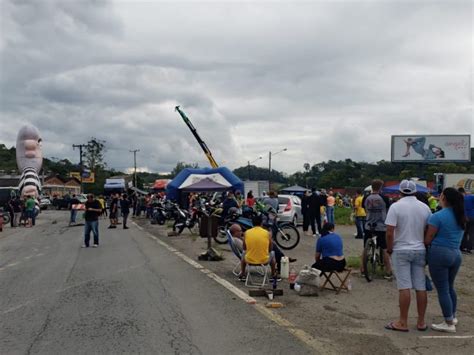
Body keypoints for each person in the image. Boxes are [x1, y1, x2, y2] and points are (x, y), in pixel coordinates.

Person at [384, 180, 432, 332]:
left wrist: (389, 248)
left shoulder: (395, 206)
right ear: (414, 191)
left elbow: (390, 231)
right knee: (420, 286)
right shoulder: (425, 207)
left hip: (401, 249)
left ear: (400, 191)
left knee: (404, 286)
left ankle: (403, 322)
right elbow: (428, 229)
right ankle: (421, 321)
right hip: (419, 249)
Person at [425, 188, 465, 333]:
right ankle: (452, 316)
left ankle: (448, 323)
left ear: (445, 199)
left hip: (440, 253)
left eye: (440, 195)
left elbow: (428, 238)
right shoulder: (460, 215)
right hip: (456, 253)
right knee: (449, 287)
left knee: (442, 289)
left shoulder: (437, 216)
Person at [230, 224, 296, 274]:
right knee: (272, 250)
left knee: (272, 245)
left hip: (251, 255)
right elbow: (245, 249)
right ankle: (279, 265)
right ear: (234, 232)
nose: (241, 232)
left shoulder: (237, 239)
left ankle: (283, 259)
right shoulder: (236, 240)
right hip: (255, 255)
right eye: (240, 231)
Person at [362, 179, 392, 277]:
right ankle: (388, 271)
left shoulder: (366, 197)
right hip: (381, 225)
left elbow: (364, 207)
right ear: (381, 188)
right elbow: (388, 209)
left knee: (364, 248)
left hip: (368, 225)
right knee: (384, 248)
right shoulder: (384, 198)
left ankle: (362, 269)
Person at [238, 214, 278, 282]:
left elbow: (244, 248)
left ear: (252, 223)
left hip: (249, 260)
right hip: (264, 260)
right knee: (272, 253)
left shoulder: (247, 233)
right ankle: (273, 274)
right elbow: (270, 248)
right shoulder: (267, 233)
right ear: (261, 223)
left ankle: (243, 273)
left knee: (244, 253)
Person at [458, 187, 473, 254]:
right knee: (471, 233)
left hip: (464, 216)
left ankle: (462, 247)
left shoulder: (460, 198)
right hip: (473, 216)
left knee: (464, 232)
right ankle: (469, 248)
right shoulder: (471, 197)